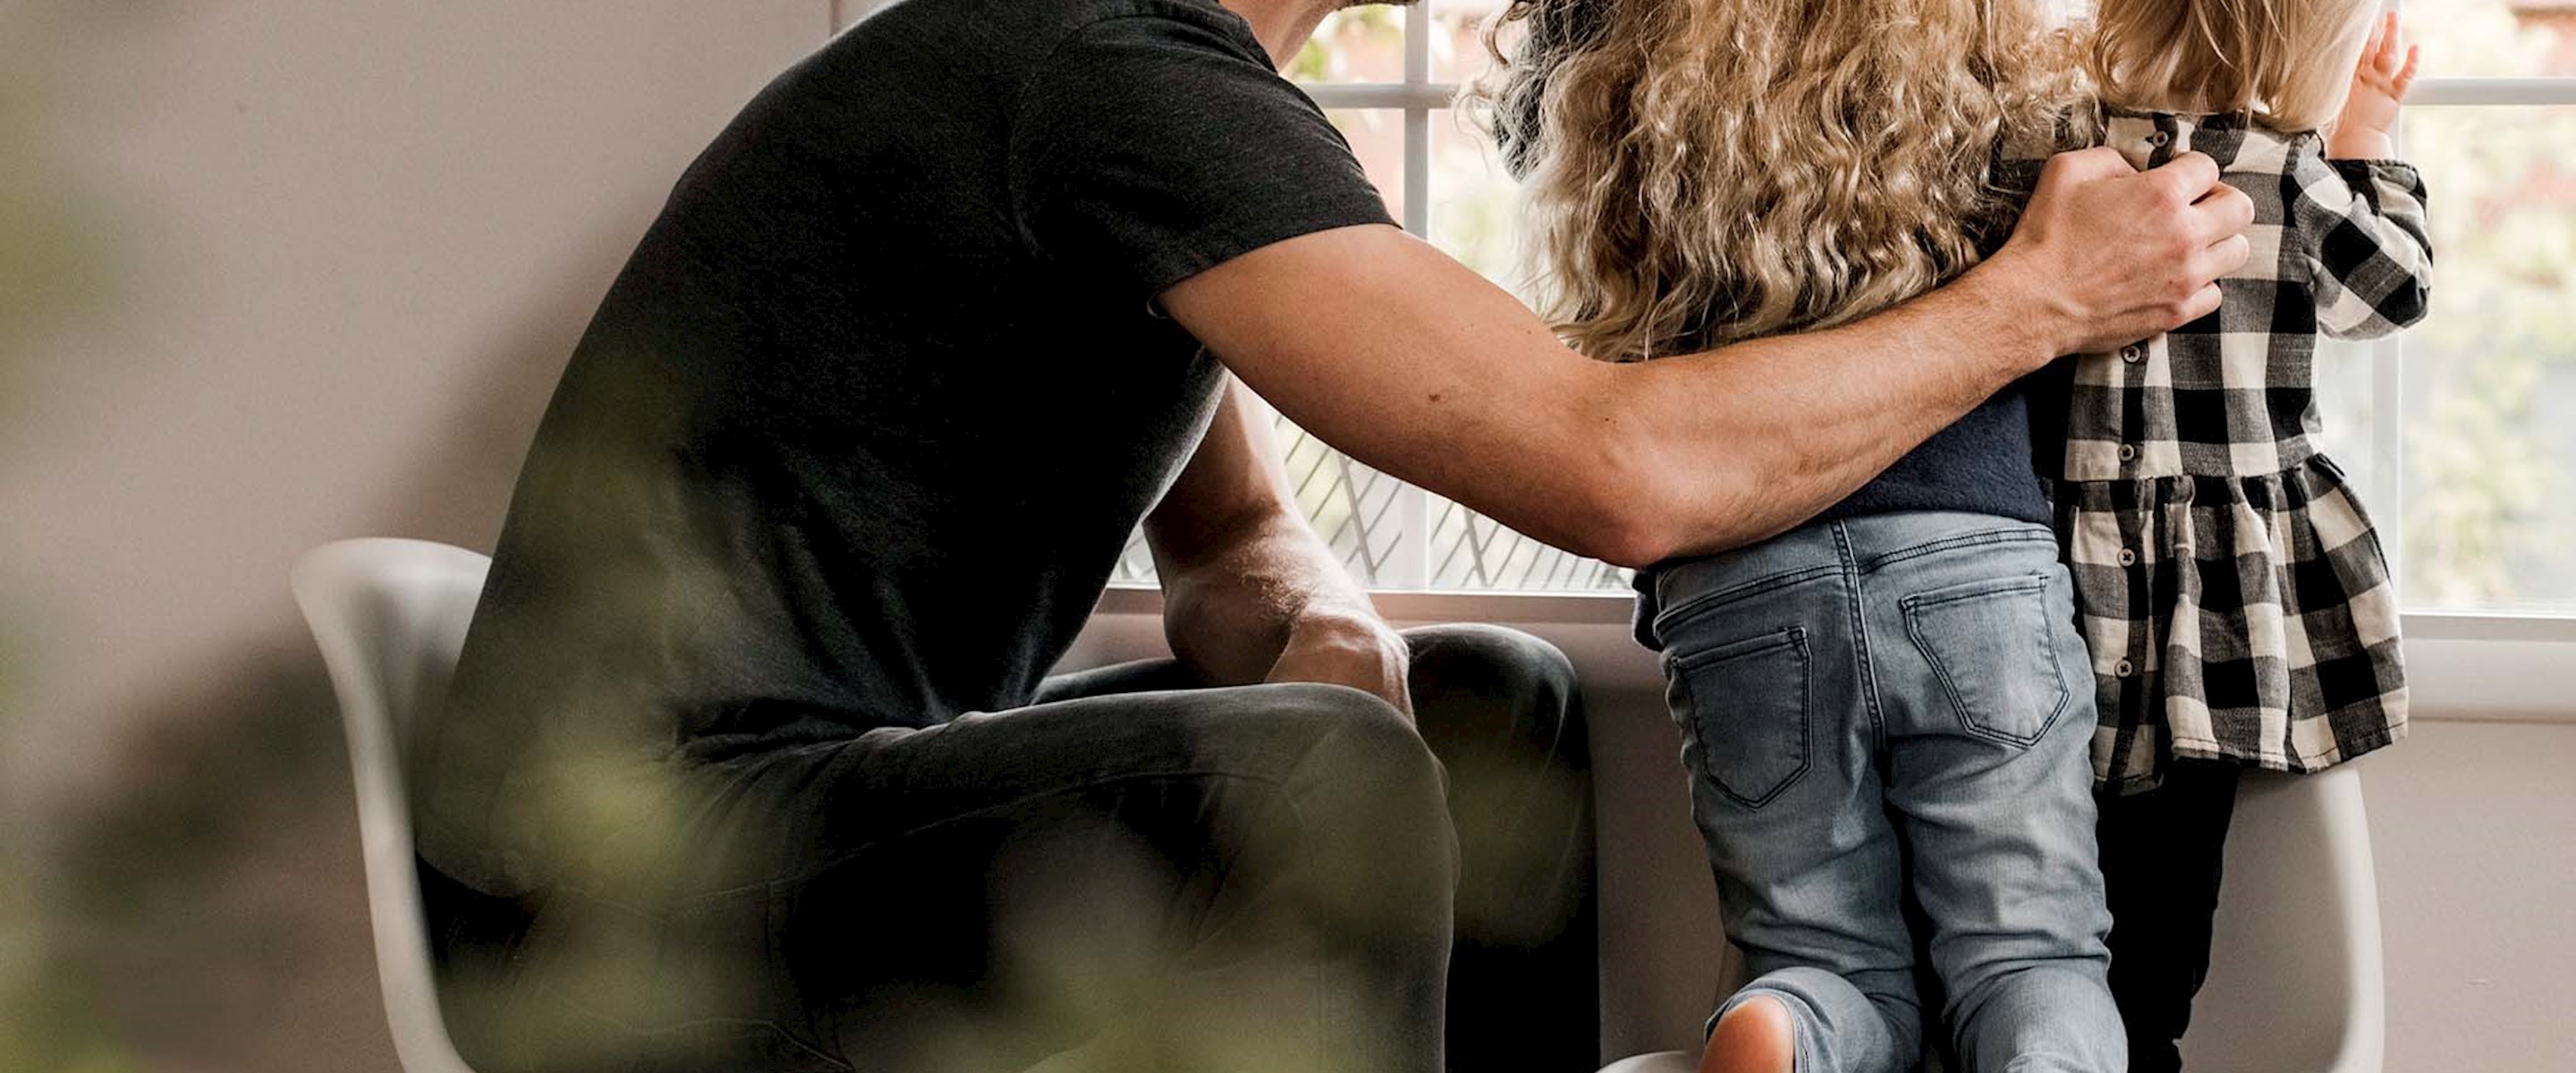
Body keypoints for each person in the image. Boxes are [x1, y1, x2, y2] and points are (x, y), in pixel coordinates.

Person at [407, 0, 2254, 1068]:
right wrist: (2037, 300)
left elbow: (1232, 551)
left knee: (1480, 694)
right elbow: (1619, 472)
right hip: (626, 888)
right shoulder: (1110, 76)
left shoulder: (1133, 101)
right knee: (1321, 776)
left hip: (803, 812)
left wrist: (1330, 639)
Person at [1489, 1, 2123, 1070]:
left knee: (1822, 957)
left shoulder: (1619, 59)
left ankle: (1789, 1029)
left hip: (1732, 578)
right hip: (1969, 563)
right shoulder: (1997, 68)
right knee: (2029, 956)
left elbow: (1523, 124)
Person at [2060, 7, 2430, 1070]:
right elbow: (2391, 294)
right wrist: (2371, 133)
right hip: (2220, 596)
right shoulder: (2289, 172)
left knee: (2030, 878)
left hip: (2066, 572)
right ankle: (2136, 1043)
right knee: (2163, 894)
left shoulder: (2064, 156)